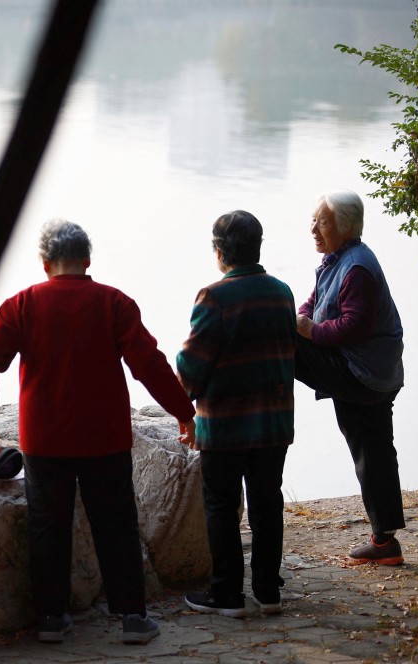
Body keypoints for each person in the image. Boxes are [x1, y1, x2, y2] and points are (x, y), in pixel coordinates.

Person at [0, 219, 196, 645]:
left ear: (44, 262)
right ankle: (132, 617)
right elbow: (148, 363)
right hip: (103, 437)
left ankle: (51, 618)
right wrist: (183, 411)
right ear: (87, 260)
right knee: (116, 525)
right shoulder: (114, 303)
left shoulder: (22, 304)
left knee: (47, 526)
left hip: (45, 438)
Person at [176, 211, 296, 618]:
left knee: (222, 508)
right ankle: (268, 591)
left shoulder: (214, 297)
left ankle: (227, 594)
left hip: (225, 426)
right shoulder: (282, 293)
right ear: (257, 247)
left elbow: (192, 365)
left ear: (220, 251)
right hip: (273, 423)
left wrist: (183, 405)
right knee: (267, 504)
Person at [294, 189, 406, 565]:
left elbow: (355, 326)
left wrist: (309, 331)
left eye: (322, 222)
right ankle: (384, 542)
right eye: (313, 220)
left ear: (345, 227)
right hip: (374, 372)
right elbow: (314, 301)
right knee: (373, 450)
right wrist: (302, 318)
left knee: (281, 344)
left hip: (362, 373)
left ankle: (258, 417)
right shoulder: (337, 259)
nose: (314, 228)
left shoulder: (356, 267)